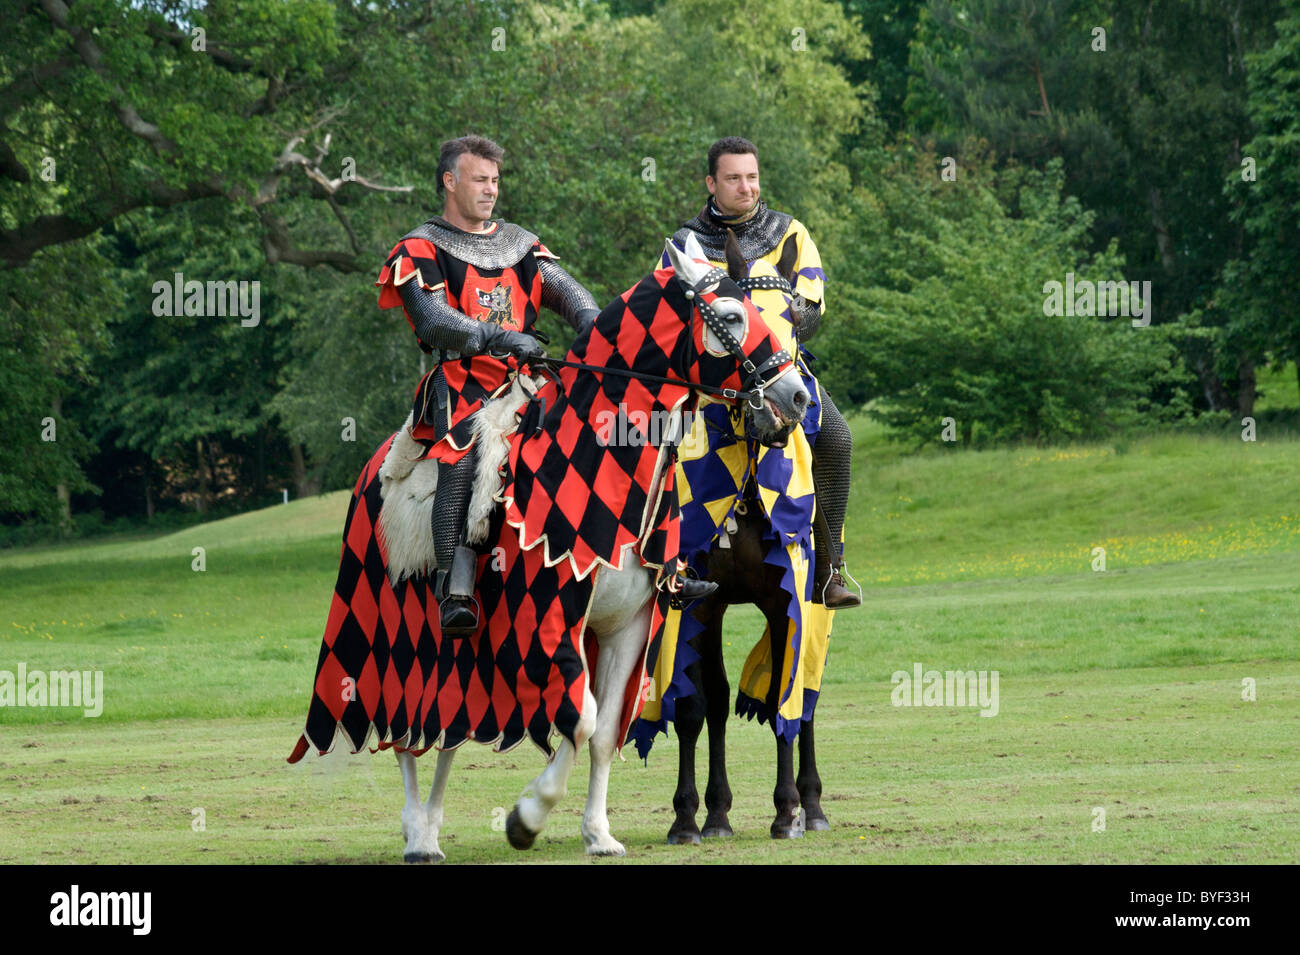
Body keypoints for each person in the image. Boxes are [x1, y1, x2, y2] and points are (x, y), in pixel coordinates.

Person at [375, 134, 604, 635]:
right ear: (450, 181)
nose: (490, 189)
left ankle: (649, 559)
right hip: (463, 382)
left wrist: (596, 323)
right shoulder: (419, 247)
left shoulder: (520, 242)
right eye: (480, 179)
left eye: (495, 180)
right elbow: (433, 321)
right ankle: (453, 587)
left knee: (603, 432)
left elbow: (568, 294)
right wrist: (499, 335)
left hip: (528, 378)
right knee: (464, 454)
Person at [669, 137, 859, 608]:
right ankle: (662, 563)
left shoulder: (789, 233)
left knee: (837, 438)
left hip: (782, 373)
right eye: (733, 178)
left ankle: (832, 567)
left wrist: (791, 309)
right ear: (712, 183)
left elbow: (812, 303)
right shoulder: (685, 243)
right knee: (647, 441)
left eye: (751, 177)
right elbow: (669, 311)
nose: (745, 187)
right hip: (711, 387)